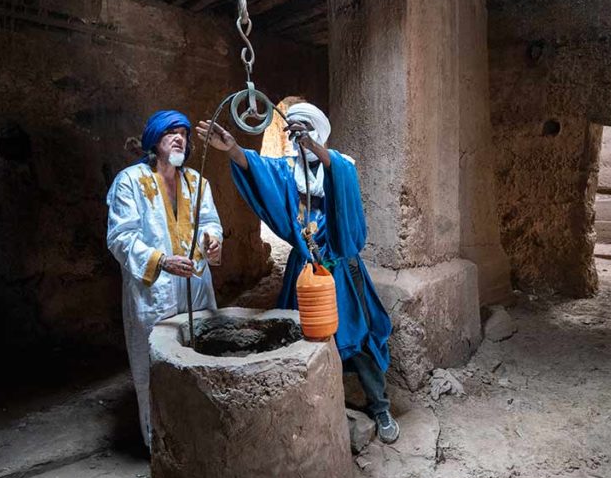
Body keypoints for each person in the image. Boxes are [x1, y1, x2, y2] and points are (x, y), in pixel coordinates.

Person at [196, 99, 400, 443]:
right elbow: (257, 169)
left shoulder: (339, 166)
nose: (297, 137)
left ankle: (380, 407)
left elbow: (346, 199)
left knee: (357, 338)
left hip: (342, 273)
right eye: (294, 131)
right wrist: (232, 149)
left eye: (304, 130)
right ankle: (311, 411)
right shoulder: (287, 171)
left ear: (318, 133)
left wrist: (314, 148)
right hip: (303, 271)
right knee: (300, 337)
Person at [106, 110, 223, 447]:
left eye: (184, 134)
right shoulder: (129, 182)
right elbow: (121, 238)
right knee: (155, 370)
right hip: (154, 293)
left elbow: (211, 221)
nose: (179, 139)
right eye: (171, 132)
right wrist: (160, 261)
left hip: (195, 290)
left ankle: (201, 438)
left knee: (201, 361)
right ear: (154, 141)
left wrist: (213, 238)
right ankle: (162, 446)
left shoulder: (198, 183)